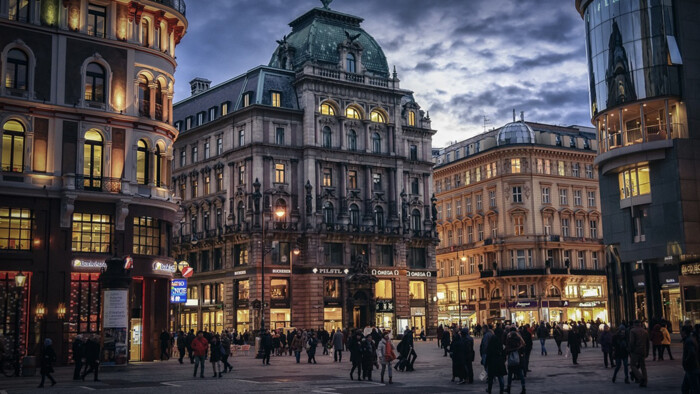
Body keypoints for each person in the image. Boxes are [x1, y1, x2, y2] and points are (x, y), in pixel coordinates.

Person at [505, 327, 526, 394]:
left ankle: (508, 387)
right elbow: (523, 347)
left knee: (510, 374)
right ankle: (523, 388)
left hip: (511, 359)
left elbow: (507, 350)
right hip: (518, 359)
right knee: (521, 374)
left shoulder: (509, 340)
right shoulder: (519, 340)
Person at [629, 320, 650, 387]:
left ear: (634, 324)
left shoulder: (632, 331)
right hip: (643, 350)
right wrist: (647, 352)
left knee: (633, 365)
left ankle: (640, 378)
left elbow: (632, 342)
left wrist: (630, 350)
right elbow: (647, 343)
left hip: (635, 351)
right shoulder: (645, 331)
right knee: (643, 366)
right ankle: (645, 381)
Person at [486, 328, 506, 394]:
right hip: (499, 361)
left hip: (492, 361)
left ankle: (489, 389)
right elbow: (504, 352)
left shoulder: (493, 339)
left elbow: (489, 351)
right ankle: (501, 390)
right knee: (500, 377)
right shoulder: (501, 340)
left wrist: (486, 362)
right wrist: (503, 359)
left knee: (491, 377)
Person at [681, 325, 700, 394]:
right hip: (692, 368)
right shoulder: (692, 339)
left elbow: (692, 353)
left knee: (694, 388)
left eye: (681, 332)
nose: (681, 333)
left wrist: (686, 361)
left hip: (692, 368)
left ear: (684, 332)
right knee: (686, 388)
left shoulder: (688, 341)